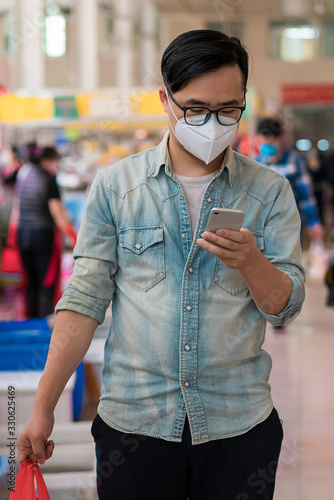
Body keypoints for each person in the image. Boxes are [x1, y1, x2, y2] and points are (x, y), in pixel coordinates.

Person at [18, 30, 305, 500]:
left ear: (244, 103)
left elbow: (284, 307)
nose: (212, 123)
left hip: (239, 426)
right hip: (135, 426)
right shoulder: (117, 188)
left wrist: (252, 262)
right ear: (165, 100)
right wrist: (43, 406)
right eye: (194, 108)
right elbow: (84, 303)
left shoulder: (269, 192)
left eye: (228, 109)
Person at [14, 146, 76, 318]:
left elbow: (17, 207)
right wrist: (71, 234)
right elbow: (56, 211)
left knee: (29, 279)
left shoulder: (23, 173)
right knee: (46, 279)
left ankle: (30, 318)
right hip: (42, 235)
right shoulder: (48, 178)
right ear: (47, 160)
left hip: (23, 233)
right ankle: (45, 320)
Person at [256, 118, 323, 243]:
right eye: (265, 143)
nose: (268, 147)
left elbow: (306, 195)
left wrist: (313, 221)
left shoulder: (293, 160)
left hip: (291, 225)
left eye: (272, 142)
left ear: (280, 140)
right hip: (264, 227)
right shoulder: (256, 163)